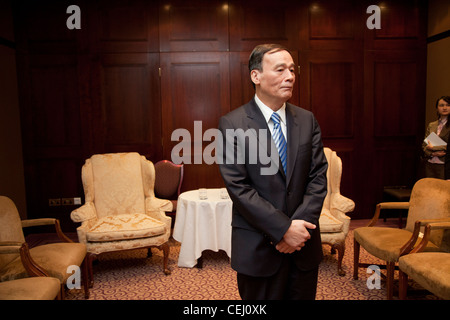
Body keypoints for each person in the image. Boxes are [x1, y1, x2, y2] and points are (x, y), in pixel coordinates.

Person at [218, 44, 328, 300]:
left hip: (304, 244)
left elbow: (318, 177)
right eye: (280, 70)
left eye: (291, 70)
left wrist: (298, 230)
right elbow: (239, 187)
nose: (289, 76)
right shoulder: (232, 123)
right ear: (256, 76)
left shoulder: (307, 119)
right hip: (258, 248)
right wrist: (283, 229)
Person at [422, 96, 450, 179]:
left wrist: (434, 148)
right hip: (430, 163)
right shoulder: (432, 125)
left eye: (448, 105)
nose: (444, 108)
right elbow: (424, 145)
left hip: (445, 164)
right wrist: (432, 153)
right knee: (430, 189)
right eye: (441, 105)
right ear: (437, 108)